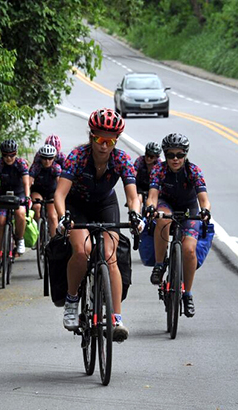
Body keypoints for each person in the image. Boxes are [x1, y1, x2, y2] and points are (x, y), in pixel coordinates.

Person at [54, 108, 143, 343]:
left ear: (116, 141)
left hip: (105, 204)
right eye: (99, 139)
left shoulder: (121, 159)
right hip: (77, 204)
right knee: (83, 251)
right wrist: (63, 217)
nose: (104, 145)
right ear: (91, 135)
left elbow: (133, 197)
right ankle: (72, 300)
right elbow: (60, 195)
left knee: (109, 255)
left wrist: (135, 215)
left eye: (110, 140)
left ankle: (116, 319)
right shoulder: (77, 156)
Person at [145, 133, 211, 318]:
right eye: (170, 155)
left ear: (186, 155)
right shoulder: (159, 169)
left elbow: (204, 200)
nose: (175, 159)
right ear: (165, 155)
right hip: (166, 203)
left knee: (189, 250)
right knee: (163, 218)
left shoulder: (193, 171)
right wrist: (150, 207)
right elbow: (152, 195)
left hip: (189, 207)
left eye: (179, 155)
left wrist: (205, 211)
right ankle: (159, 265)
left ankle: (187, 294)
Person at [0, 139, 31, 272]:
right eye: (5, 155)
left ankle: (20, 239)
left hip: (19, 193)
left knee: (20, 214)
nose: (8, 158)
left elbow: (26, 182)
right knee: (0, 222)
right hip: (4, 195)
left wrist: (27, 196)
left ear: (16, 154)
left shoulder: (21, 163)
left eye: (11, 155)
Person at [30, 144, 61, 237]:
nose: (47, 161)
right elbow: (28, 181)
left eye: (50, 158)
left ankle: (54, 242)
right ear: (40, 158)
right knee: (36, 207)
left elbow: (60, 183)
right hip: (38, 190)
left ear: (54, 158)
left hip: (51, 191)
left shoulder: (56, 167)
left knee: (52, 216)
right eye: (44, 158)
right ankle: (37, 230)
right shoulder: (36, 167)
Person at [134, 142, 162, 206]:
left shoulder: (159, 164)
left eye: (151, 157)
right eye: (147, 155)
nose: (148, 158)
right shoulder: (140, 160)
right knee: (139, 198)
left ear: (156, 157)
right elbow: (134, 173)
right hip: (140, 185)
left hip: (153, 186)